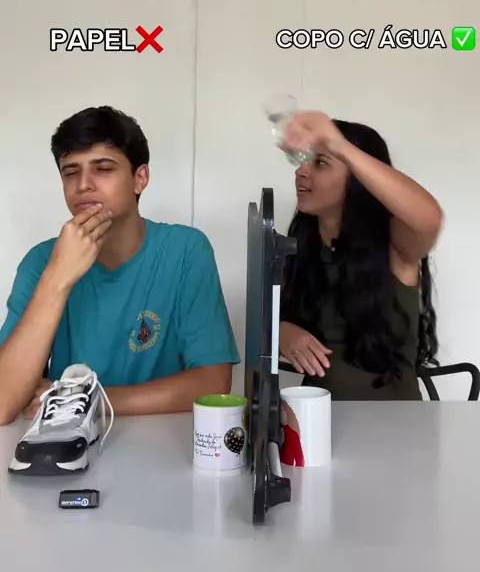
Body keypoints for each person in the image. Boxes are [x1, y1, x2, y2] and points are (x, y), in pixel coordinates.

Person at [0, 106, 240, 425]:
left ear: (140, 178)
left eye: (103, 168)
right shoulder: (41, 262)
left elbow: (213, 383)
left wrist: (81, 400)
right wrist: (57, 279)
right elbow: (3, 402)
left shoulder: (186, 250)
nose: (83, 184)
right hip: (66, 442)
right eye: (70, 172)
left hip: (163, 442)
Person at [278, 111, 443, 400]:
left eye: (320, 163)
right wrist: (282, 332)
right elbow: (262, 325)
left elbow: (429, 219)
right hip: (317, 419)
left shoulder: (394, 244)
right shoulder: (299, 249)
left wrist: (339, 145)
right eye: (305, 161)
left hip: (397, 422)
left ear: (359, 179)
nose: (301, 171)